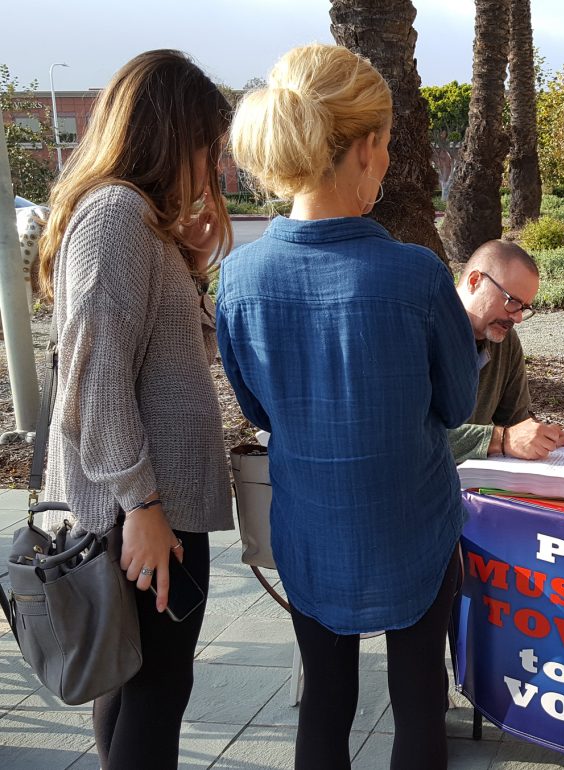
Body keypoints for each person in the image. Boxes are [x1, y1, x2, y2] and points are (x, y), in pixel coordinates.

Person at [217, 44, 478, 770]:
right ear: (365, 148)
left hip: (310, 524)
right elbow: (458, 402)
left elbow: (258, 407)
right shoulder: (415, 274)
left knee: (325, 706)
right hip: (414, 526)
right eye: (388, 146)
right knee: (421, 701)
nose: (389, 163)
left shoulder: (238, 278)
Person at [36, 50, 234, 769]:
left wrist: (190, 265)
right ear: (170, 136)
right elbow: (97, 380)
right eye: (206, 148)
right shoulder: (117, 215)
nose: (209, 168)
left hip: (149, 509)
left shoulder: (132, 221)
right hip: (147, 515)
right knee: (154, 692)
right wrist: (141, 504)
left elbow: (166, 356)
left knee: (132, 689)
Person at [449, 240, 564, 463]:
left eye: (524, 308)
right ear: (475, 281)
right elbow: (408, 437)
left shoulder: (503, 339)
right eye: (512, 302)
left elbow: (516, 421)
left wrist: (545, 436)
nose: (516, 318)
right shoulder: (421, 333)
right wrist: (501, 439)